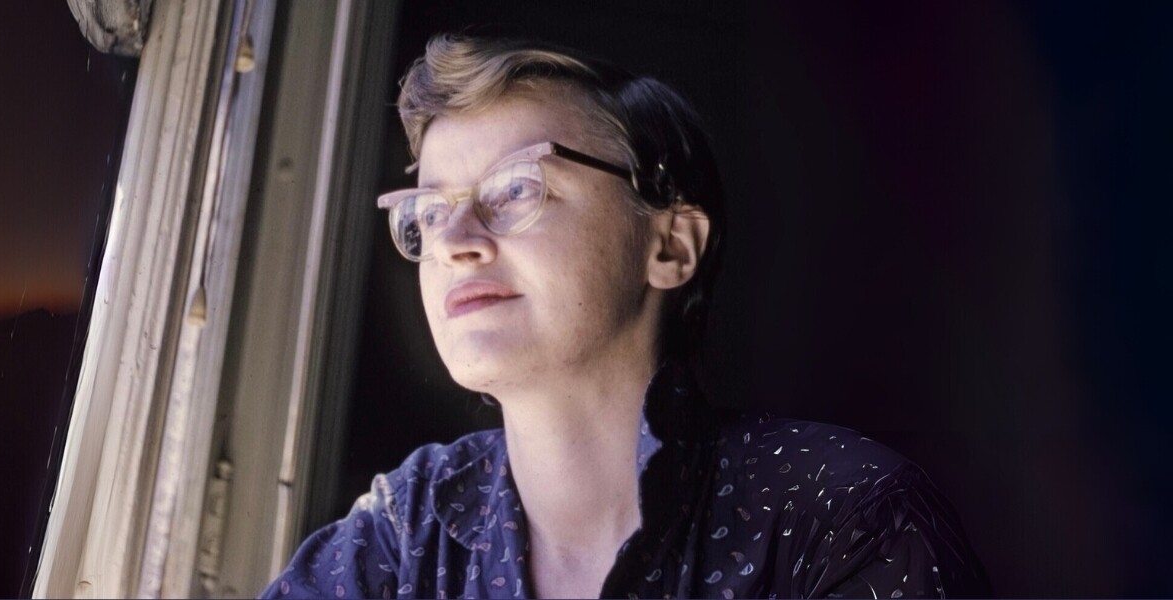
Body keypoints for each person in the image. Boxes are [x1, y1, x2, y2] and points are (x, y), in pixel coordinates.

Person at [262, 34, 991, 599]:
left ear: (670, 246)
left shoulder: (845, 517)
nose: (453, 244)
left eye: (515, 190)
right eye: (428, 210)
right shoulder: (402, 529)